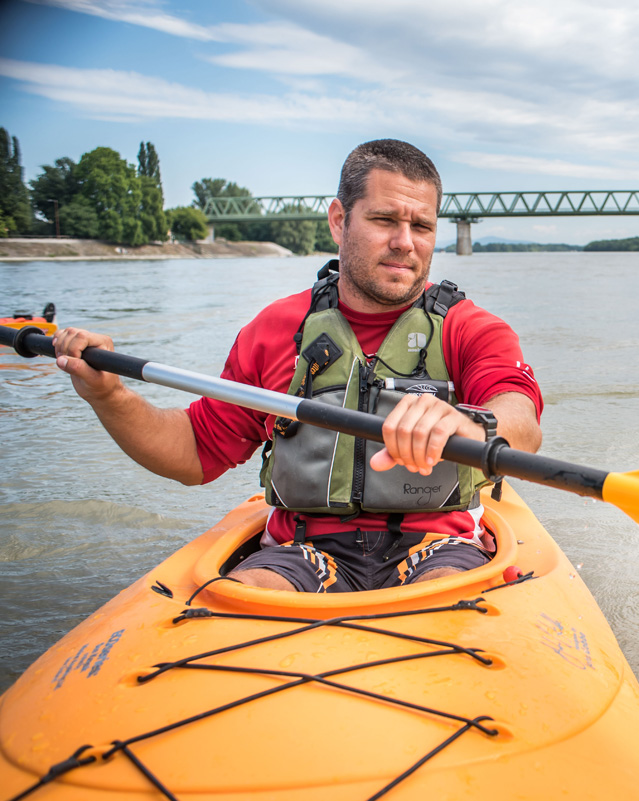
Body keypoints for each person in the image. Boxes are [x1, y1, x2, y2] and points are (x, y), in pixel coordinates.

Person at [51, 139, 543, 592]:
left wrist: (469, 424)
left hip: (438, 547)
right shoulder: (274, 329)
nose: (404, 242)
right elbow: (194, 453)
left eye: (421, 226)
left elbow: (521, 419)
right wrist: (110, 396)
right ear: (338, 220)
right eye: (384, 220)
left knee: (442, 599)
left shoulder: (469, 327)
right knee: (247, 598)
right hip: (303, 551)